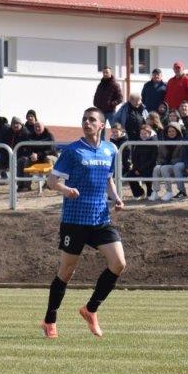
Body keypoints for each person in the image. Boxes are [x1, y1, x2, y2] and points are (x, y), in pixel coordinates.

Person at [40, 107, 126, 339]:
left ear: (102, 125)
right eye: (84, 119)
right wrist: (66, 190)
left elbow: (107, 179)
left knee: (118, 263)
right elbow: (51, 181)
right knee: (66, 272)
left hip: (100, 218)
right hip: (75, 220)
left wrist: (116, 198)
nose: (87, 123)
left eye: (92, 120)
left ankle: (90, 309)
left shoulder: (110, 149)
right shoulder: (72, 150)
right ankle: (49, 320)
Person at [152, 122, 185, 202]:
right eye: (169, 131)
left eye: (173, 131)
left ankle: (169, 191)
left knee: (164, 168)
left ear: (177, 132)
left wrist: (169, 162)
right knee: (156, 168)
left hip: (176, 165)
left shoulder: (182, 143)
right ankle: (155, 192)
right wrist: (161, 162)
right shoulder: (163, 143)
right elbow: (159, 157)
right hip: (165, 163)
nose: (171, 133)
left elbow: (182, 157)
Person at [129, 124, 159, 200]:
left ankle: (150, 191)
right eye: (141, 133)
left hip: (149, 167)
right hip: (138, 167)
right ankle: (139, 193)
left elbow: (153, 159)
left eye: (145, 133)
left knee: (147, 173)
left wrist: (141, 169)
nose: (143, 135)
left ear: (149, 133)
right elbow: (134, 157)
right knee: (130, 174)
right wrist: (136, 168)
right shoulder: (138, 143)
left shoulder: (154, 143)